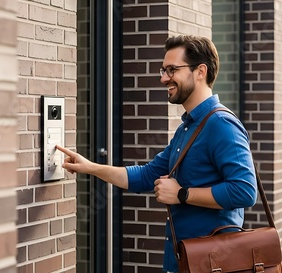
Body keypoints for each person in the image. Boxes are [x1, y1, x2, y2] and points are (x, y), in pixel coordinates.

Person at [56, 35, 257, 273]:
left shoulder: (221, 125)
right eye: (163, 70)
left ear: (200, 71)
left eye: (172, 70)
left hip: (214, 264)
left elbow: (245, 191)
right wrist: (89, 167)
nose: (163, 78)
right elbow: (146, 175)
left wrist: (182, 194)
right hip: (185, 261)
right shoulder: (188, 127)